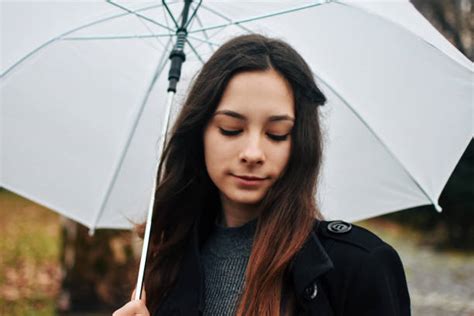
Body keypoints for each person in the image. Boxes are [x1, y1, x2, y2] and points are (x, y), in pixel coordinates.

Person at [113, 34, 411, 316]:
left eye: (276, 134)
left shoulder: (360, 267)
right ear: (199, 133)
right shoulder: (166, 261)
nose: (253, 152)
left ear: (299, 143)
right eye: (231, 129)